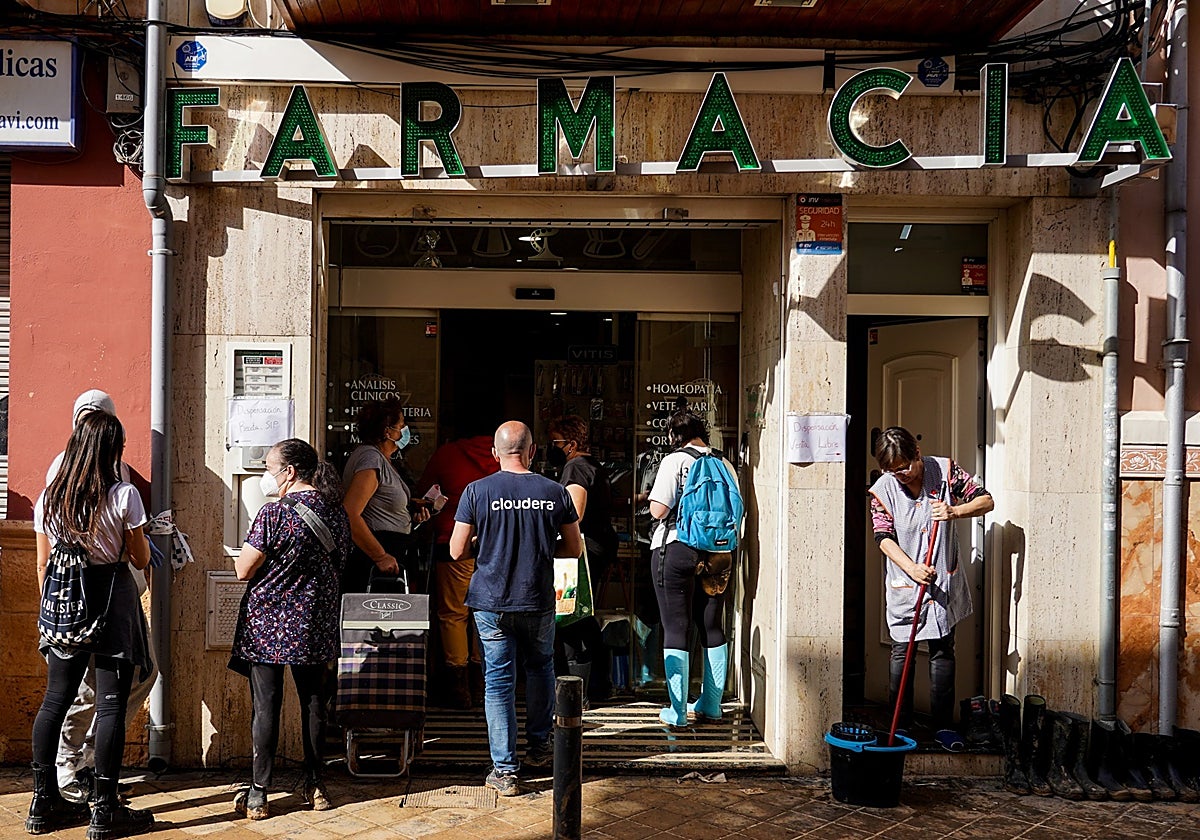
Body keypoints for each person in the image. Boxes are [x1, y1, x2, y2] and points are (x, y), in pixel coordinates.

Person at [29, 411, 154, 839]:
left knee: (54, 699)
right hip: (110, 601)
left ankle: (42, 803)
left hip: (62, 602)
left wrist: (50, 612)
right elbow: (139, 559)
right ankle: (104, 809)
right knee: (111, 705)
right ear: (113, 450)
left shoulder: (50, 497)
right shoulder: (124, 496)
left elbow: (43, 562)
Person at [450, 421, 582, 796]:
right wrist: (541, 549)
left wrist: (485, 545)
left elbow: (456, 551)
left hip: (491, 602)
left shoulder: (477, 491)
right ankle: (540, 746)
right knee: (541, 669)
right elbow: (573, 548)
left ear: (495, 453)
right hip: (537, 597)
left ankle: (506, 771)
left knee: (498, 681)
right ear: (533, 451)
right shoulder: (555, 492)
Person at [230, 439, 350, 820]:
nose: (267, 475)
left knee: (266, 707)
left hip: (268, 625)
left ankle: (259, 793)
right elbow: (342, 561)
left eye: (269, 468)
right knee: (315, 705)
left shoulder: (273, 514)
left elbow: (243, 569)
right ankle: (316, 786)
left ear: (290, 472)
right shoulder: (336, 513)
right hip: (315, 621)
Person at [868, 426, 994, 747]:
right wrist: (911, 568)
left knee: (942, 649)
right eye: (892, 470)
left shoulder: (945, 472)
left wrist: (955, 511)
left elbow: (986, 501)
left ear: (917, 455)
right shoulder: (883, 490)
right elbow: (883, 537)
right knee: (902, 653)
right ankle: (903, 726)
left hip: (942, 579)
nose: (901, 475)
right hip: (904, 581)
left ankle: (942, 726)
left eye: (905, 467)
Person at [647, 410, 739, 728]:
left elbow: (659, 510)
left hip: (676, 546)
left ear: (675, 436)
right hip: (720, 551)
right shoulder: (725, 463)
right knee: (712, 624)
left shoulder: (674, 461)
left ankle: (677, 711)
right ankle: (711, 705)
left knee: (676, 626)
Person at [414, 424, 499, 709]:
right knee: (486, 612)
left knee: (453, 613)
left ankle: (458, 688)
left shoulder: (447, 453)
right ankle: (481, 683)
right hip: (494, 545)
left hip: (452, 542)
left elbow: (423, 491)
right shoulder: (502, 453)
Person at [546, 415, 618, 706]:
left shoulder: (575, 468)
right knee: (580, 616)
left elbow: (574, 514)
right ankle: (599, 682)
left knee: (570, 617)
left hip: (581, 551)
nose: (550, 447)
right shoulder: (592, 466)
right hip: (596, 547)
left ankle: (580, 687)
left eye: (554, 442)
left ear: (571, 444)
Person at [341, 398, 430, 594]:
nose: (405, 431)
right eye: (401, 426)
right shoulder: (371, 458)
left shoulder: (383, 459)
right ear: (387, 431)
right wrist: (380, 556)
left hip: (390, 553)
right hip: (377, 557)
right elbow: (351, 512)